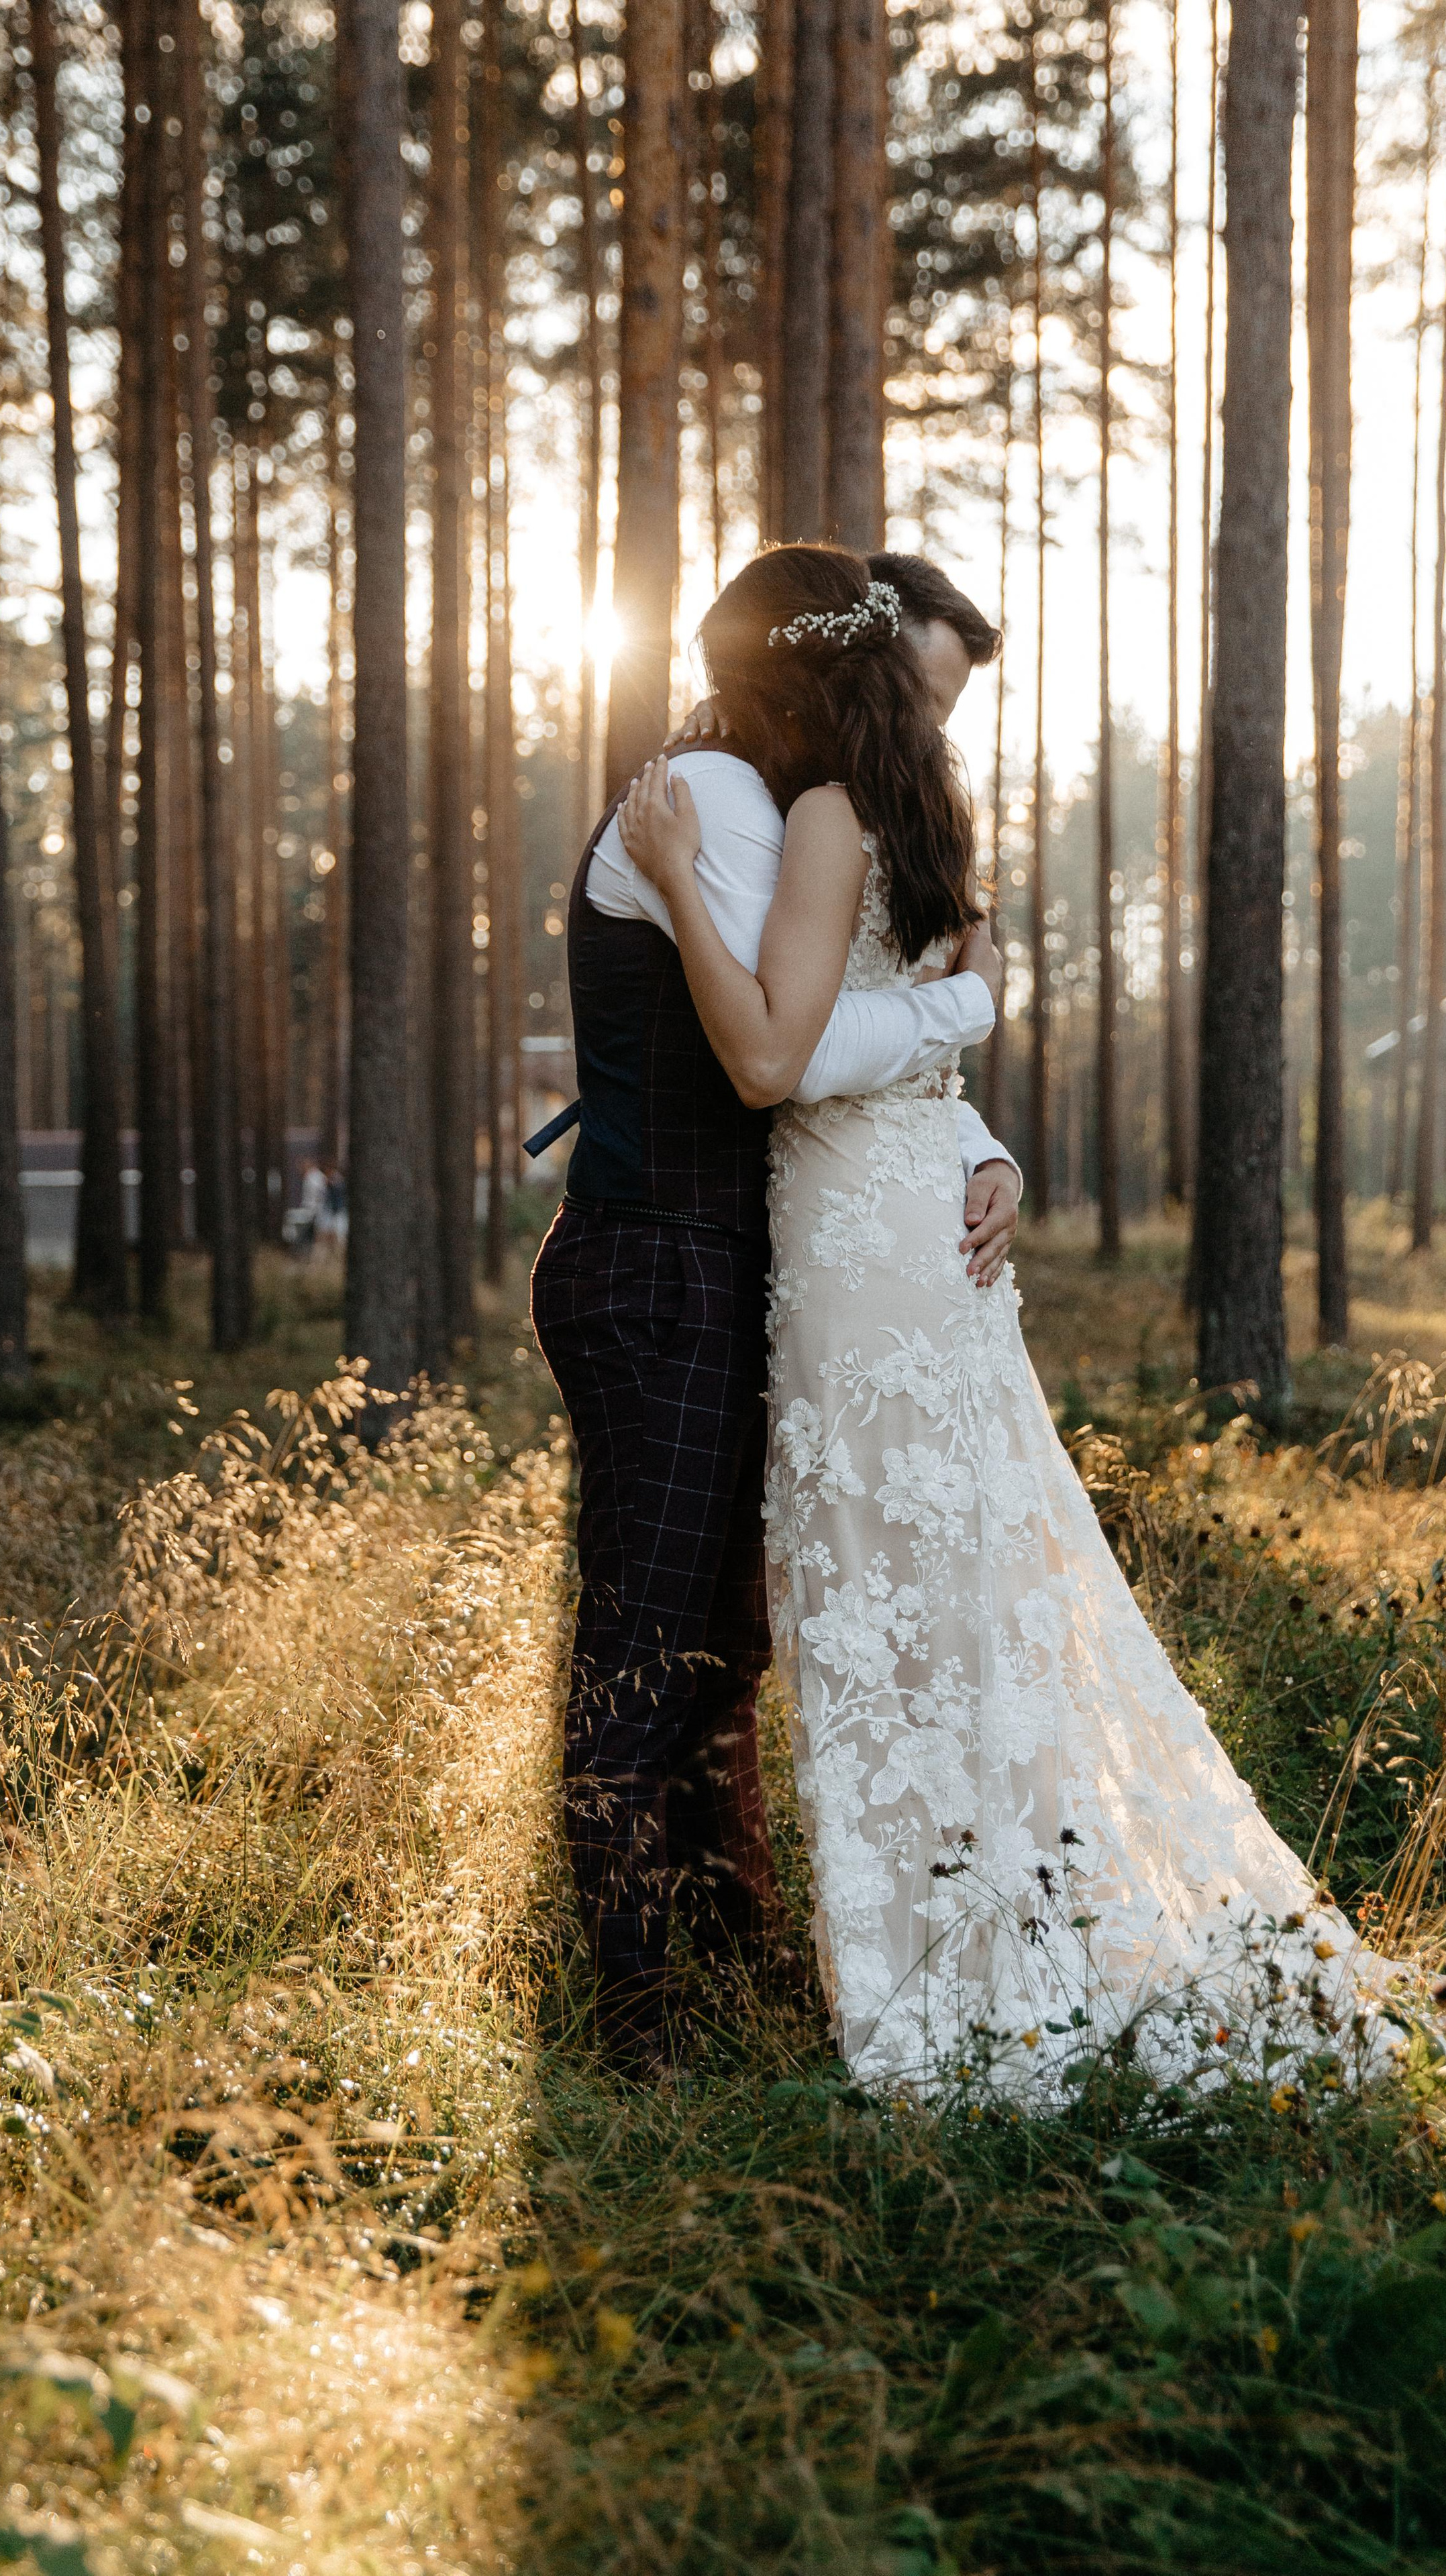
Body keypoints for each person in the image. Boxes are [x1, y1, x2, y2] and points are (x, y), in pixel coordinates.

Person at [616, 542, 1446, 2104]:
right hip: (903, 1237)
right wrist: (965, 1074)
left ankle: (954, 1963)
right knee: (958, 1580)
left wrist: (672, 879)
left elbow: (771, 1062)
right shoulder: (919, 813)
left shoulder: (813, 813)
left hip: (857, 1240)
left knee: (886, 1595)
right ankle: (1008, 1909)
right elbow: (935, 1016)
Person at [528, 547, 1019, 2078]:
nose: (896, 721)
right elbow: (782, 1058)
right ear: (813, 683)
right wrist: (957, 1008)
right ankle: (633, 2013)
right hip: (659, 1255)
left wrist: (969, 1135)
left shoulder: (759, 796)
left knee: (717, 1646)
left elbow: (841, 1034)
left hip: (727, 1259)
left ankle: (730, 1949)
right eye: (870, 686)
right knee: (644, 1639)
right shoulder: (718, 807)